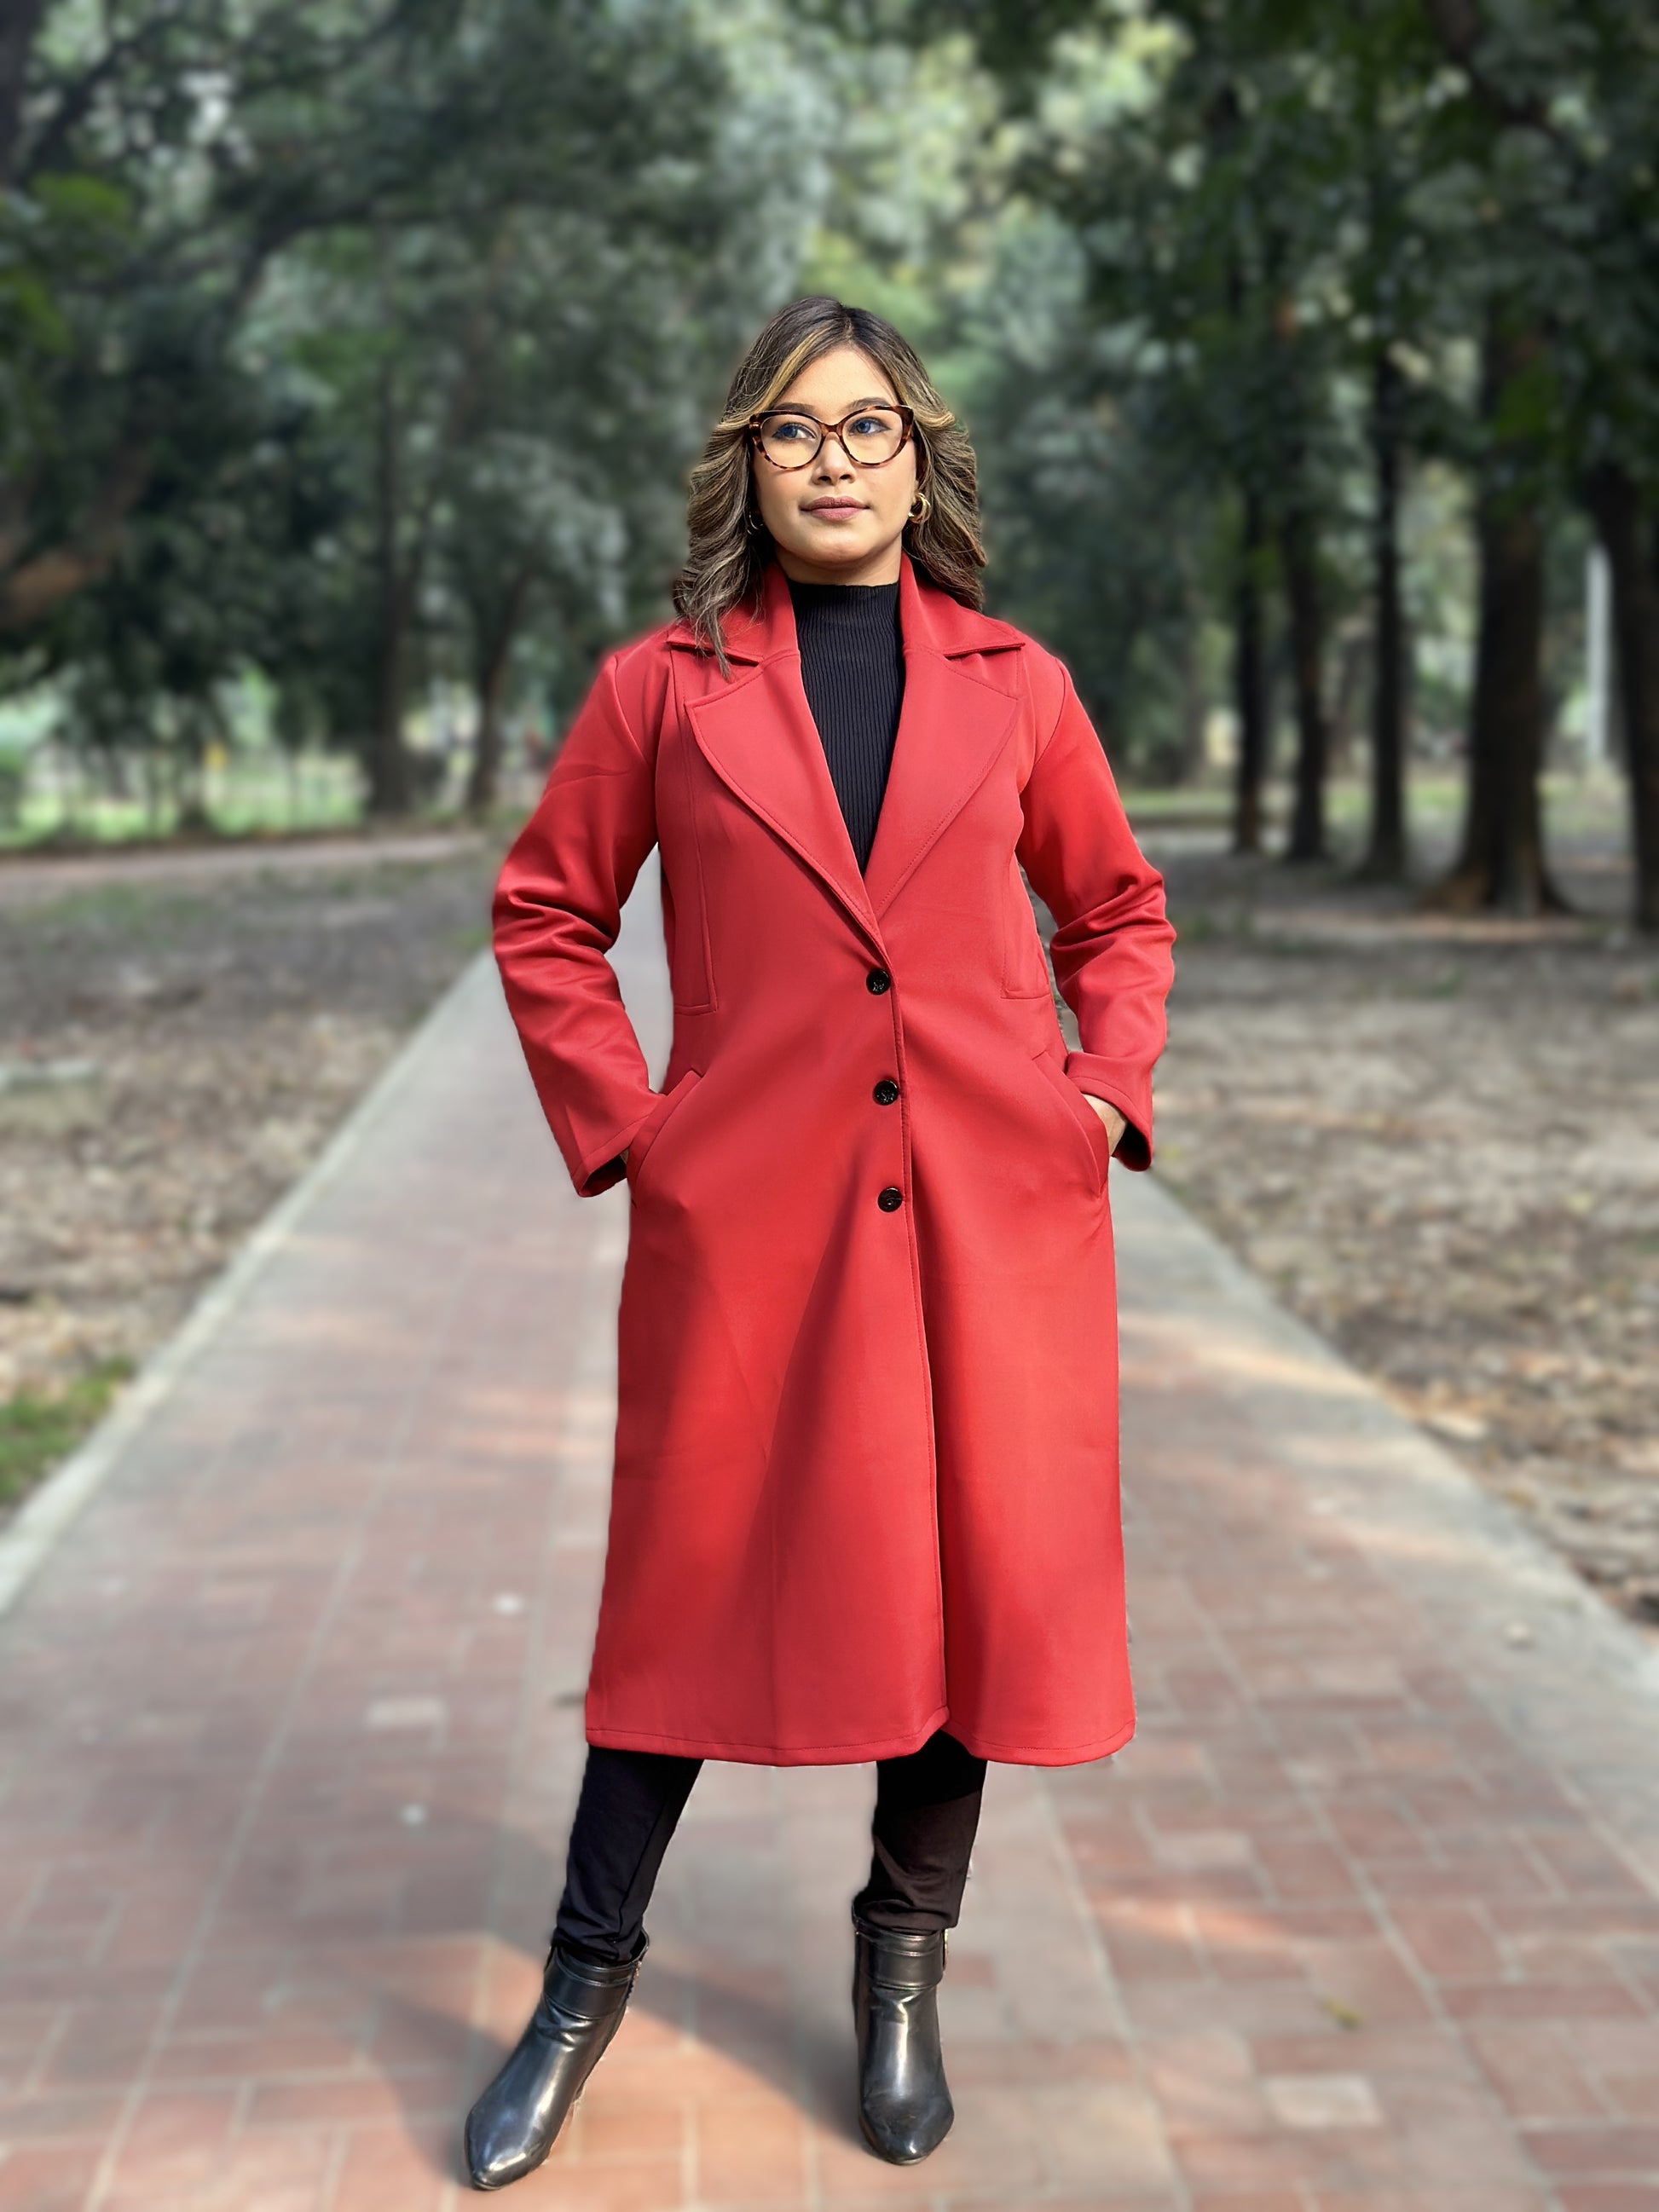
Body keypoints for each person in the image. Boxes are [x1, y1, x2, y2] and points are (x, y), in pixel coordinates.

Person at [466, 295, 1176, 2192]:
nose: (833, 459)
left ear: (920, 460)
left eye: (868, 427)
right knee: (684, 1590)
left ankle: (901, 1970)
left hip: (987, 1222)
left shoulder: (1020, 684)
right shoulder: (659, 688)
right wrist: (637, 1128)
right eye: (793, 429)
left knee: (959, 1591)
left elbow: (1117, 910)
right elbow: (545, 914)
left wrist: (1100, 1092)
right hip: (753, 1227)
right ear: (747, 465)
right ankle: (579, 1984)